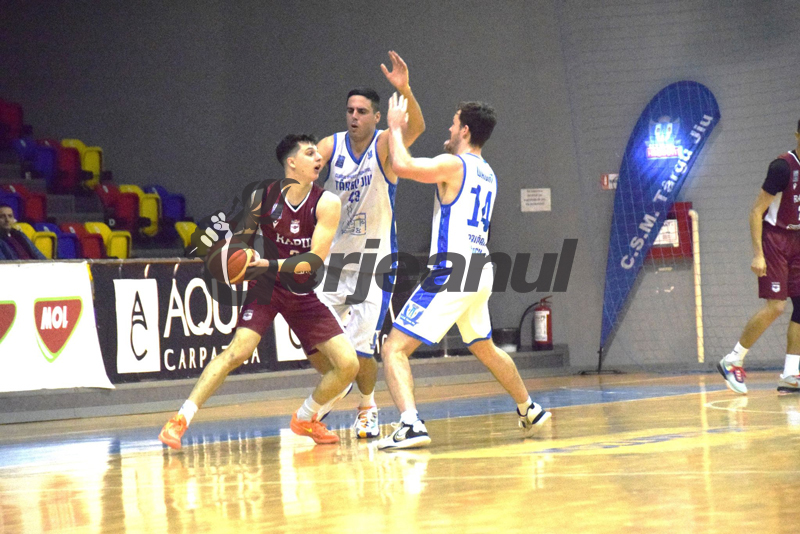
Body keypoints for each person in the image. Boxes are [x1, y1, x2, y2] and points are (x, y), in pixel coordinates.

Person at [159, 134, 359, 449]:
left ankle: (306, 418)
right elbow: (240, 241)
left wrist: (266, 262)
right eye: (310, 153)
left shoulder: (327, 202)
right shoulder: (263, 197)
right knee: (237, 352)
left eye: (317, 153)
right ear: (292, 162)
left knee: (347, 367)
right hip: (266, 286)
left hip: (302, 291)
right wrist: (236, 256)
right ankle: (179, 420)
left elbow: (314, 259)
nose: (318, 158)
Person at [375, 93, 551, 449]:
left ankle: (410, 424)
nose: (449, 129)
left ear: (466, 131)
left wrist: (394, 128)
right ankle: (528, 408)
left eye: (454, 124)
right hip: (480, 269)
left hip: (452, 270)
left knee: (393, 348)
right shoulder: (489, 174)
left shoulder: (455, 165)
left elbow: (402, 165)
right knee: (485, 347)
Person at [306, 50, 426, 439]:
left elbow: (417, 128)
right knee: (313, 339)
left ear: (376, 117)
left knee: (360, 351)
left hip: (374, 264)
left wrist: (405, 89)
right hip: (334, 262)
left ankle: (367, 405)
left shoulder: (384, 145)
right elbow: (302, 175)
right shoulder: (330, 146)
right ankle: (339, 385)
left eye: (361, 112)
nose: (354, 117)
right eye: (350, 111)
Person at [718, 121, 800, 395]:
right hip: (775, 240)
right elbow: (756, 211)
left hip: (797, 240)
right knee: (776, 306)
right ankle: (733, 359)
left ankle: (791, 374)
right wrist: (758, 254)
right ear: (797, 135)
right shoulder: (782, 168)